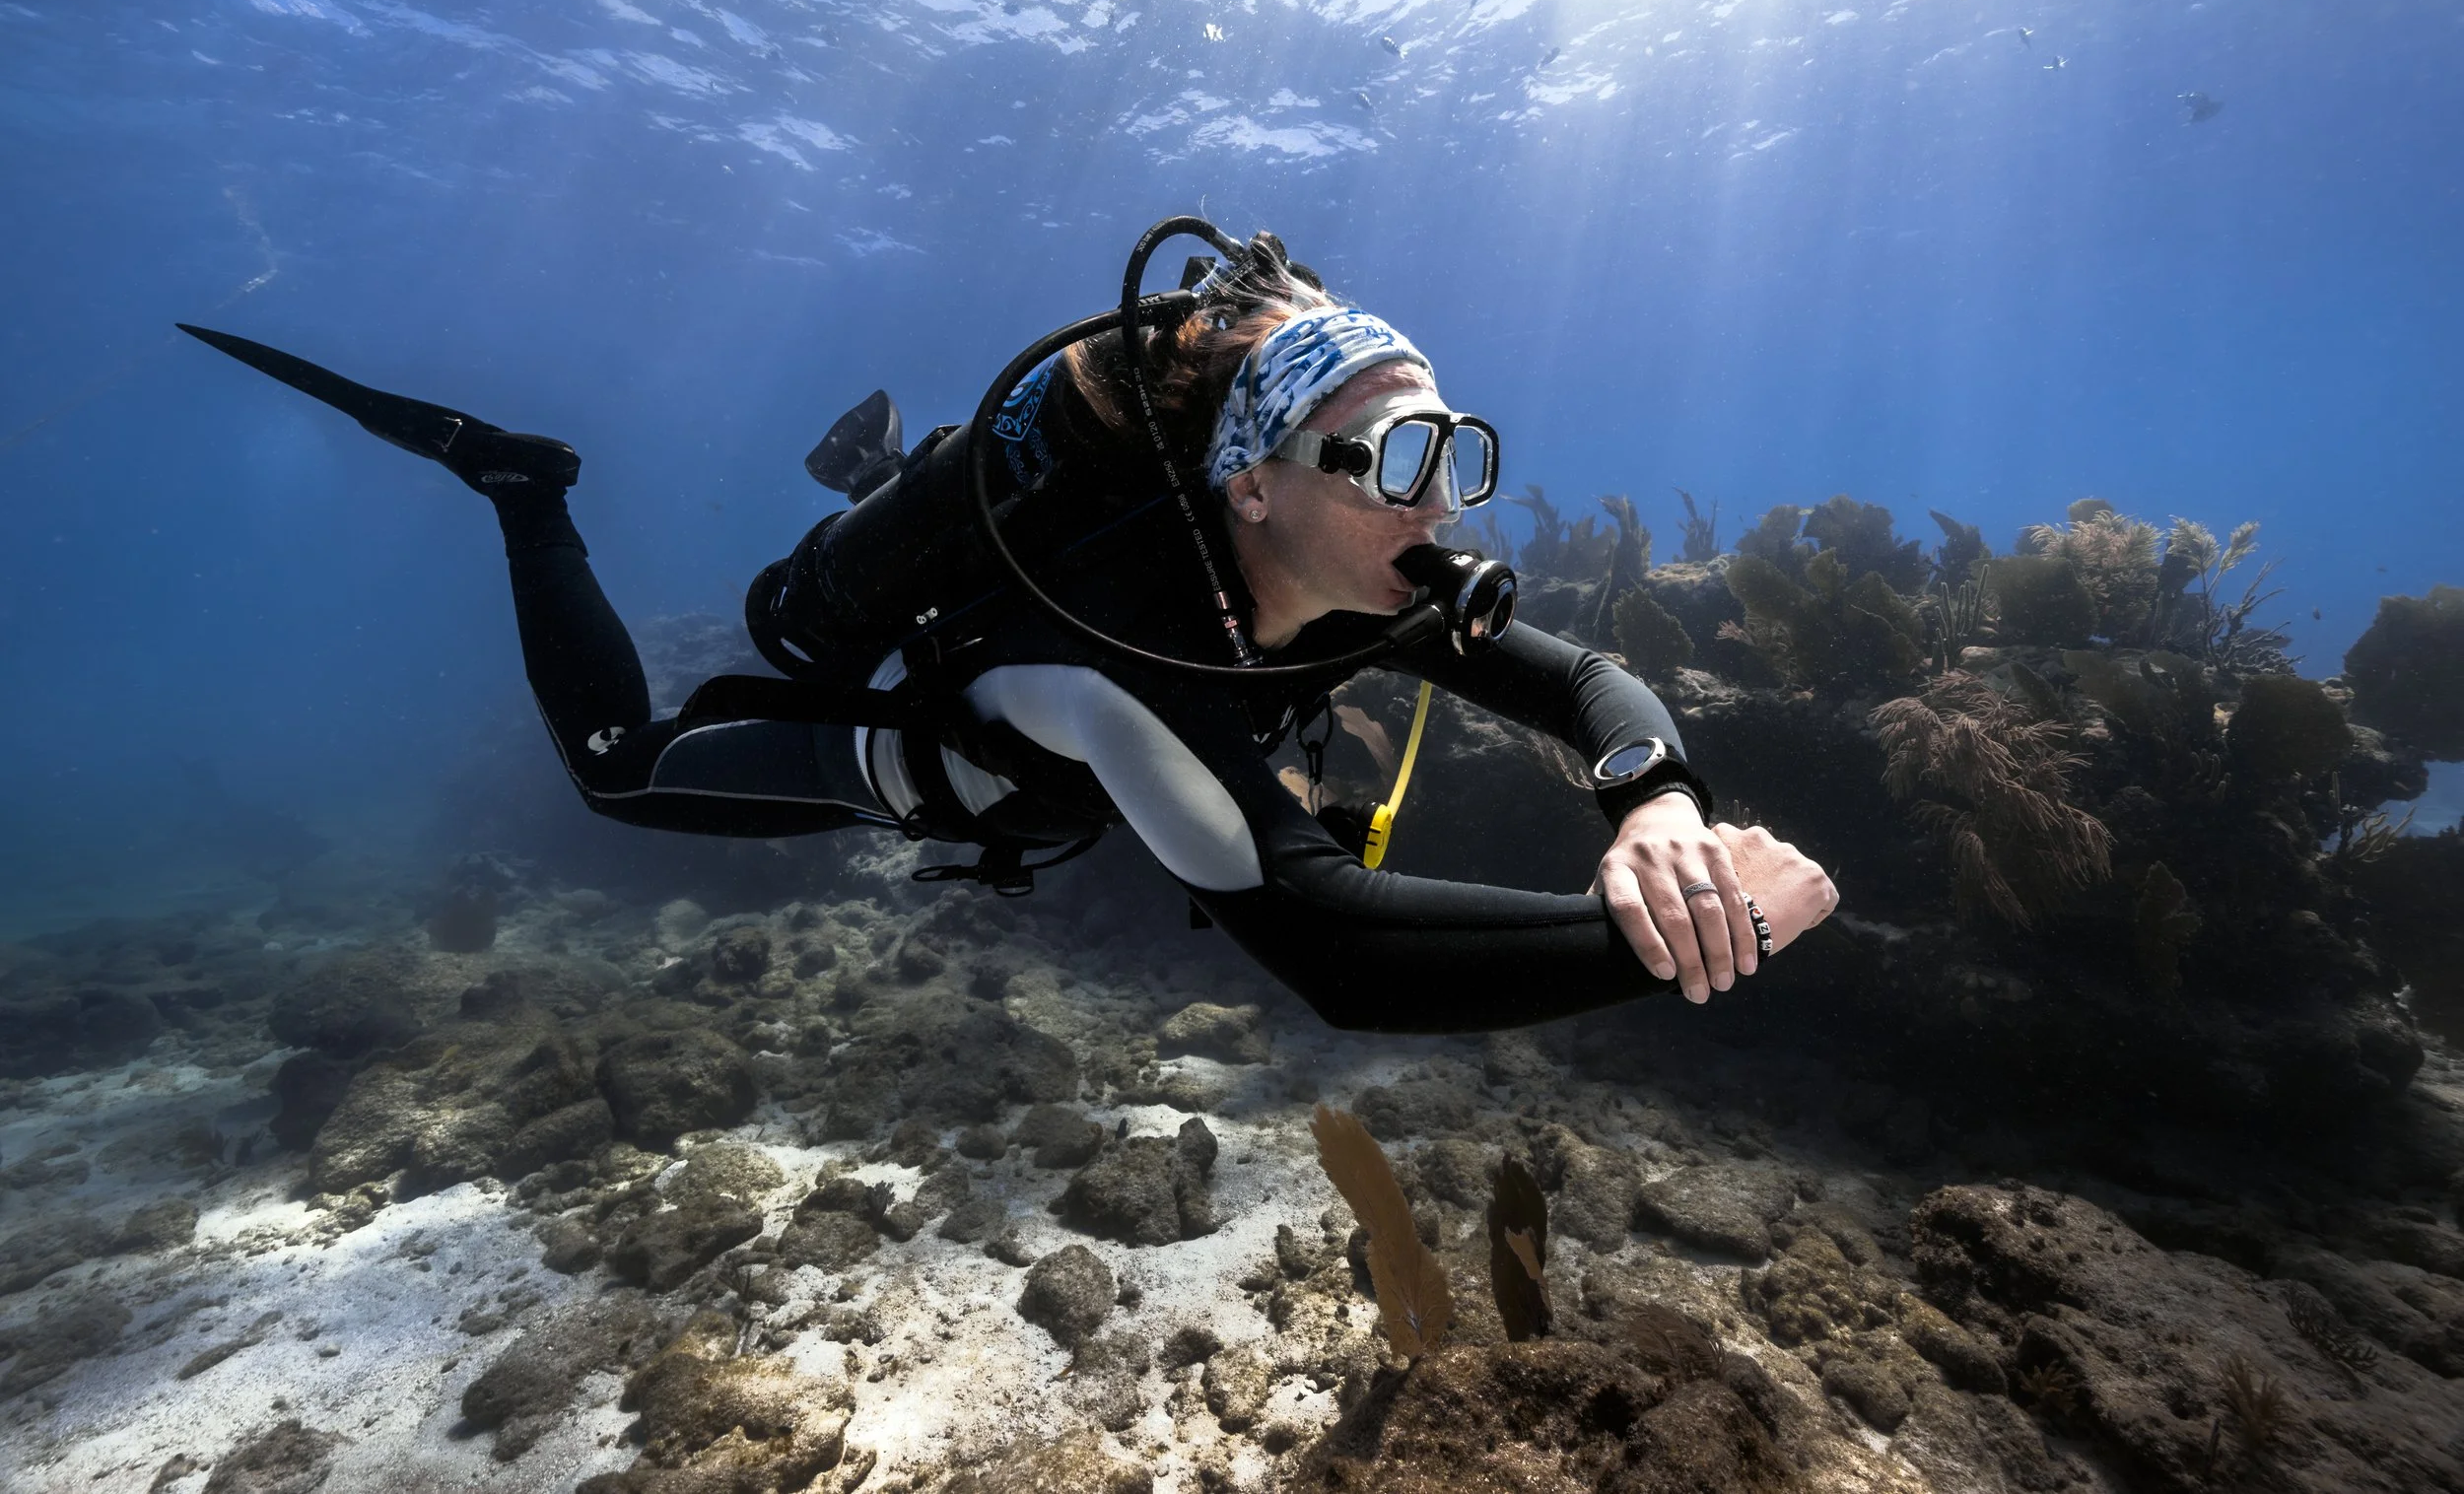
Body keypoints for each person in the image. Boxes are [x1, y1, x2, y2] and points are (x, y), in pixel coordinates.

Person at [178, 233, 1836, 1034]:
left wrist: (1658, 804)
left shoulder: (1354, 568)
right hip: (946, 754)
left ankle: (887, 474)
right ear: (1251, 484)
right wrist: (1668, 936)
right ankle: (528, 493)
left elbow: (1580, 680)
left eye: (1457, 451)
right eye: (1396, 457)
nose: (1443, 504)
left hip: (1089, 653)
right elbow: (1330, 942)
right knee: (624, 770)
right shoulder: (1132, 658)